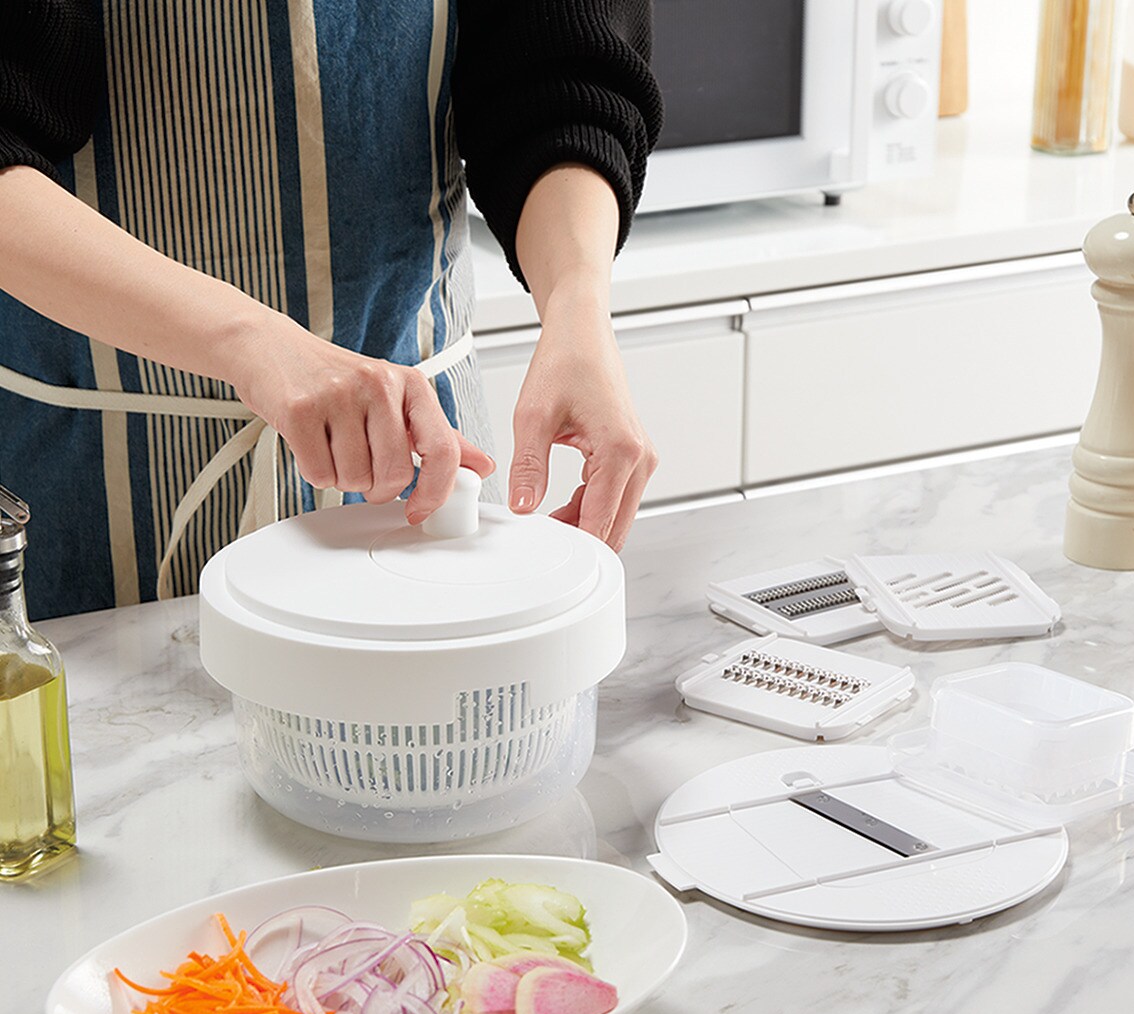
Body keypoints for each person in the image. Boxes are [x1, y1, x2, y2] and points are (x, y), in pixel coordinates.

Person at [0, 0, 663, 619]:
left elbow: (562, 74)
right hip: (88, 486)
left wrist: (579, 311)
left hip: (421, 452)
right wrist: (248, 340)